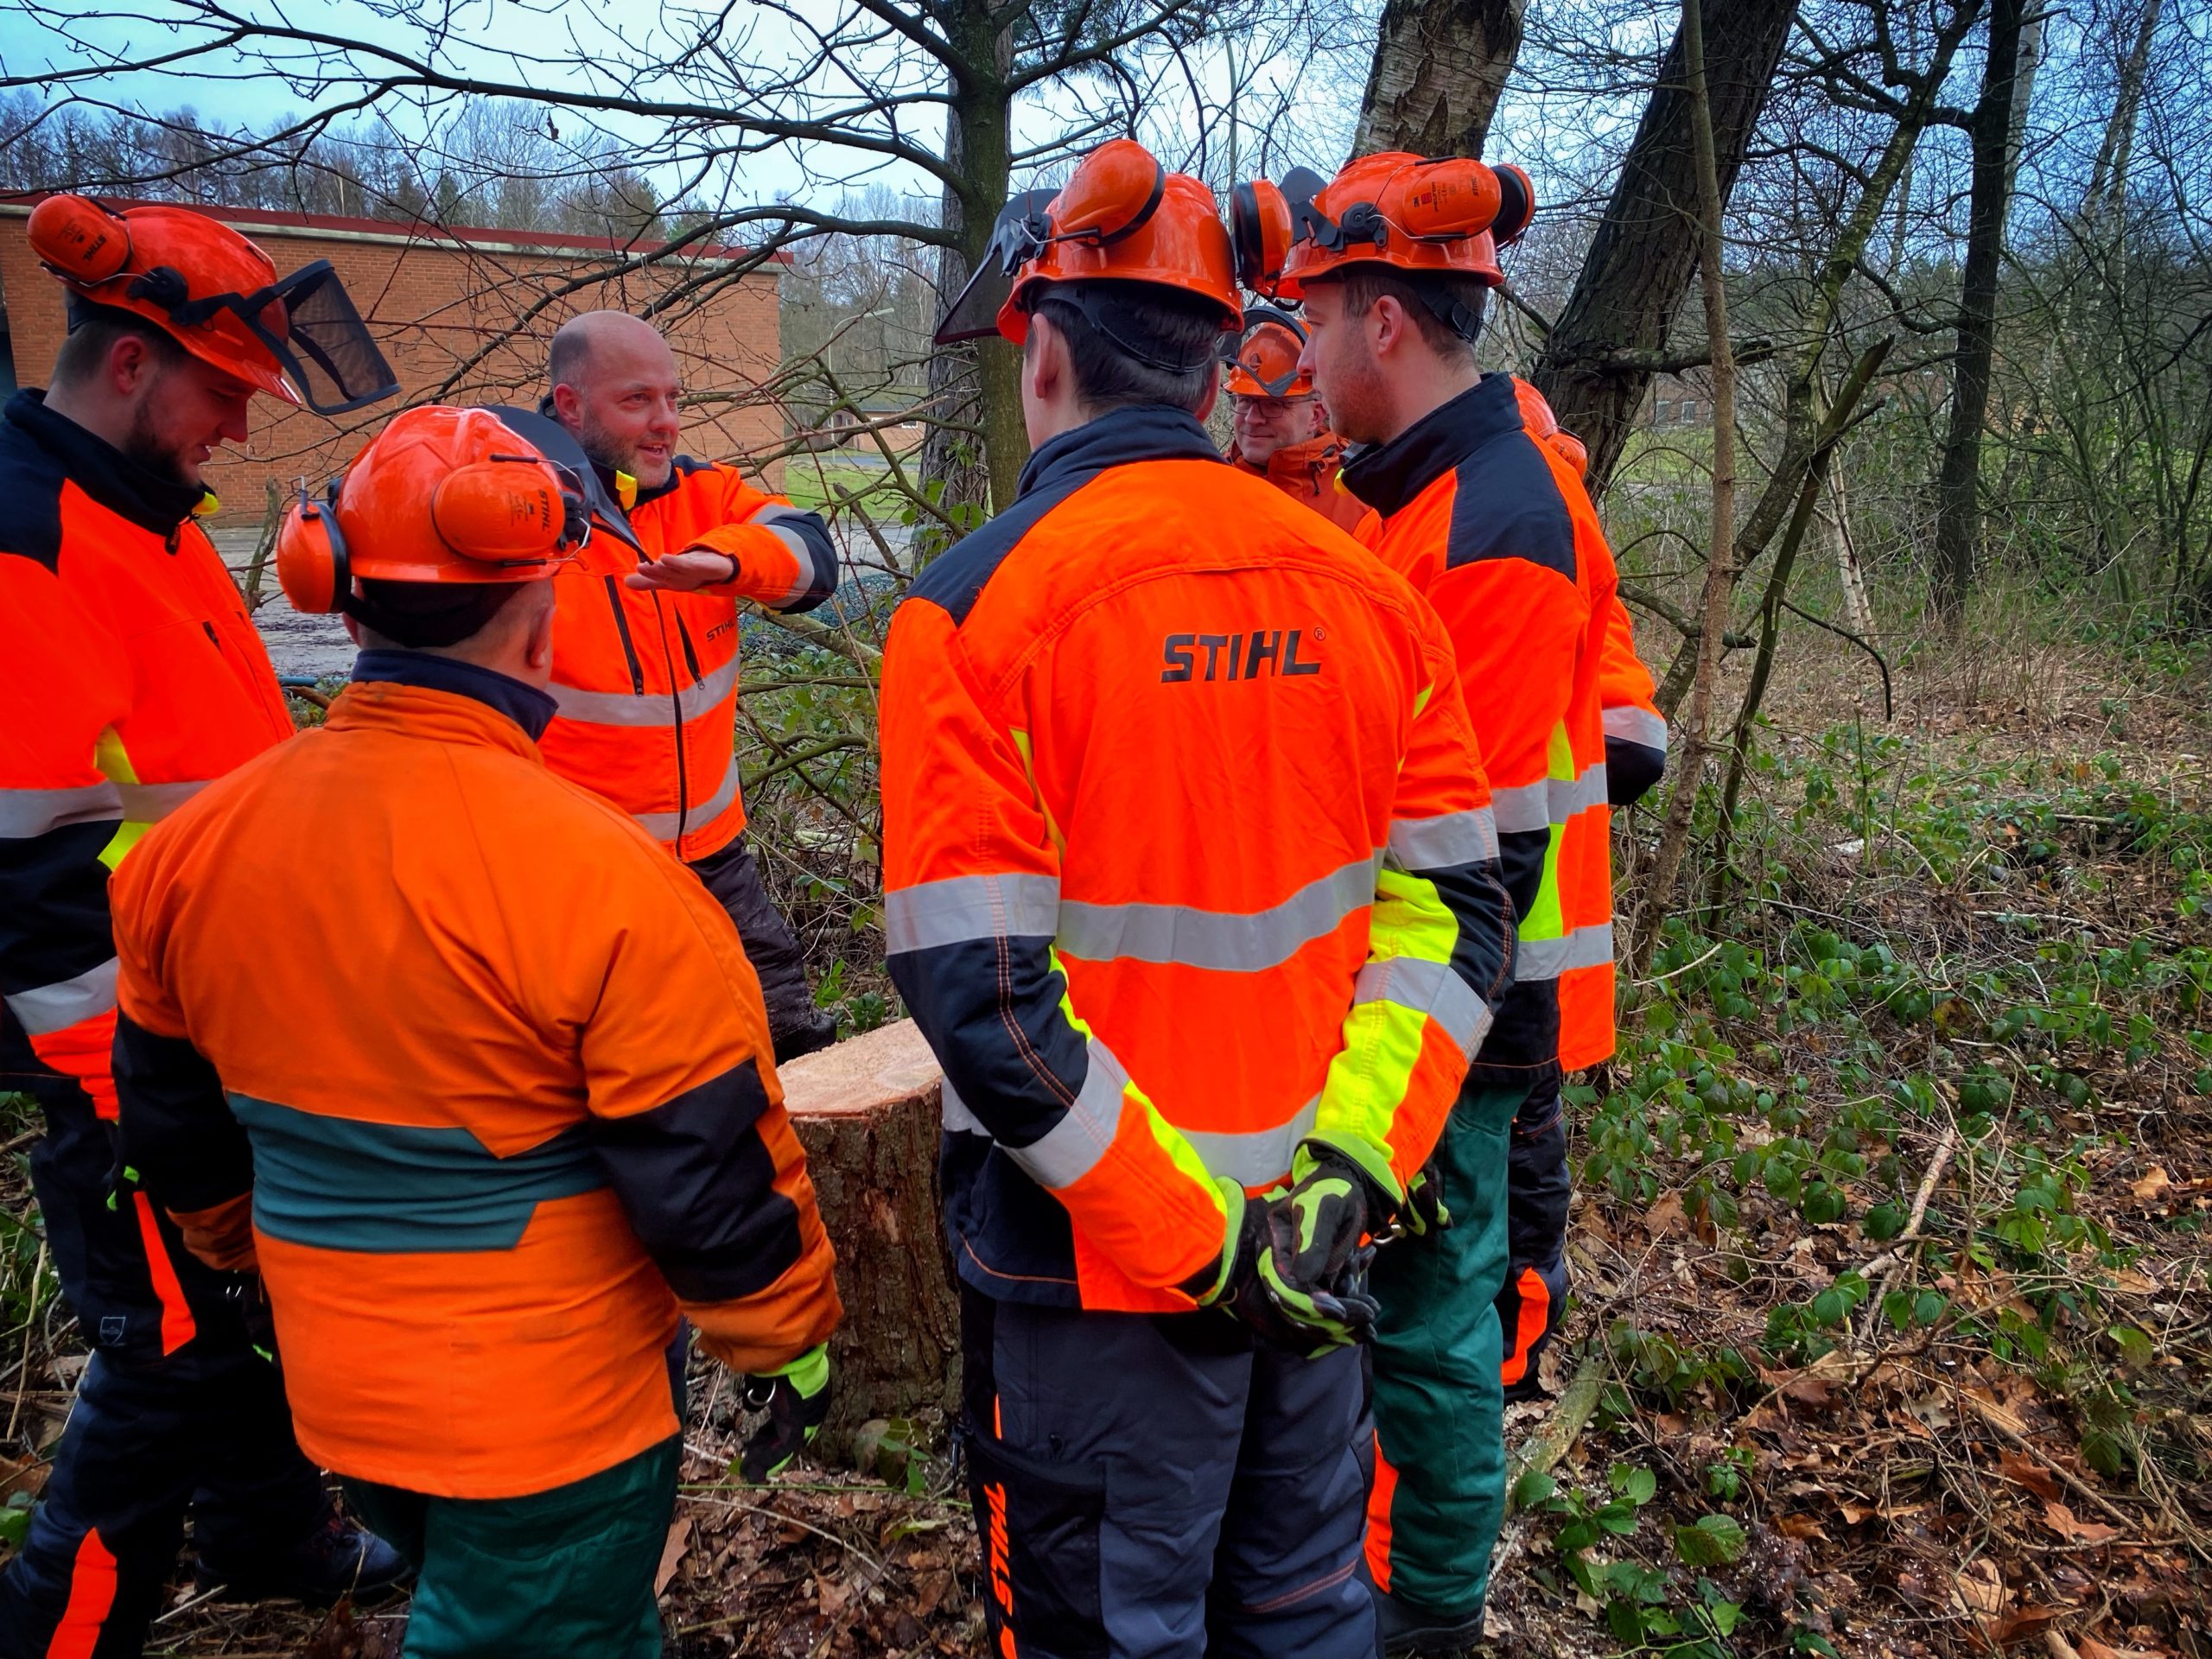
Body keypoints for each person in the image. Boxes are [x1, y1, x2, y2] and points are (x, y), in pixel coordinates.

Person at [884, 137, 1516, 1659]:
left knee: (1111, 1630)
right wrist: (1341, 1182)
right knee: (1301, 1617)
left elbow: (985, 1005)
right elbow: (1455, 921)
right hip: (1315, 1253)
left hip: (1097, 1281)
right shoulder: (1367, 592)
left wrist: (1197, 1241)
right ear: (1222, 357)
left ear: (1041, 353)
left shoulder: (971, 613)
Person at [104, 405, 844, 1657]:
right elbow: (706, 1165)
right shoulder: (608, 884)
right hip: (549, 1417)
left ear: (340, 606)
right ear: (550, 616)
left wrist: (244, 1242)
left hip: (338, 1389)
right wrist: (788, 1342)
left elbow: (174, 1118)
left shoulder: (189, 854)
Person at [0, 194, 407, 1656]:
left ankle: (264, 1529)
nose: (235, 431)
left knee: (241, 1296)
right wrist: (126, 1100)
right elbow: (29, 879)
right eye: (221, 395)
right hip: (127, 1054)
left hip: (218, 1019)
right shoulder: (28, 543)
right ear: (129, 367)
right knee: (166, 1353)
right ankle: (56, 1628)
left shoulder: (145, 519)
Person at [1239, 149, 1619, 1651]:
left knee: (1437, 1336)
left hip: (1472, 1007)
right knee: (1405, 1317)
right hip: (1431, 990)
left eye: (1321, 320)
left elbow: (1474, 848)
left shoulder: (1494, 524)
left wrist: (1404, 1048)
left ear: (1382, 321)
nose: (1308, 357)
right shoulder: (1417, 498)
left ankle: (1430, 1618)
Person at [540, 310, 843, 1062]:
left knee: (794, 1043)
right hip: (581, 881)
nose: (666, 423)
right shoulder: (522, 516)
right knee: (627, 1069)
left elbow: (812, 555)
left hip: (714, 857)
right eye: (639, 401)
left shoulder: (703, 497)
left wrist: (729, 559)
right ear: (570, 405)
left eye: (675, 400)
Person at [1493, 377, 1666, 1397]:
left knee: (1520, 1162)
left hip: (1529, 945)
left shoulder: (1537, 539)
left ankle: (1517, 1362)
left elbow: (1635, 743)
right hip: (1488, 940)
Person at [1220, 306, 1370, 531]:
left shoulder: (1359, 495)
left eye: (1272, 405)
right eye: (1245, 401)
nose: (1252, 418)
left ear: (1316, 415)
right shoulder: (1212, 482)